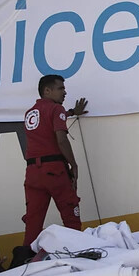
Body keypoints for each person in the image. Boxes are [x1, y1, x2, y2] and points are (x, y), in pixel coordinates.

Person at [22, 75, 89, 247]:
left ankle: (27, 260)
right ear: (47, 90)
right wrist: (73, 164)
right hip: (54, 170)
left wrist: (72, 113)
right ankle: (78, 253)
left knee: (33, 222)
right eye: (61, 88)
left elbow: (49, 119)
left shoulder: (30, 112)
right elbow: (61, 139)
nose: (65, 92)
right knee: (71, 215)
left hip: (32, 173)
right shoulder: (56, 109)